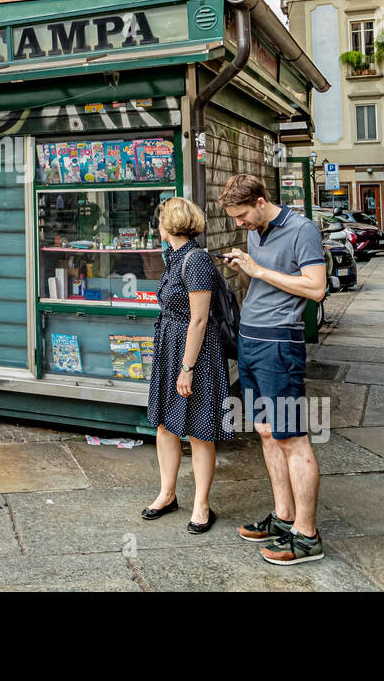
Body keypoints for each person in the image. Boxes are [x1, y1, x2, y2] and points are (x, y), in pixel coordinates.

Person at [218, 174, 328, 565]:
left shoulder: (302, 230)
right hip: (250, 342)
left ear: (261, 201)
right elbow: (266, 274)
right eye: (234, 217)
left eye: (243, 215)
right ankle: (284, 519)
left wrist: (258, 270)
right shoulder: (255, 230)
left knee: (292, 437)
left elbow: (315, 288)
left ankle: (307, 535)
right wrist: (246, 263)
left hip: (279, 345)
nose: (239, 223)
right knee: (265, 432)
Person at [141, 197, 232, 534]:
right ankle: (167, 494)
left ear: (171, 225)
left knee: (198, 430)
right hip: (170, 347)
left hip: (195, 354)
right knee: (165, 424)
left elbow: (199, 319)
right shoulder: (175, 257)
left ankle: (201, 505)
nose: (158, 225)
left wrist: (187, 367)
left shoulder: (194, 261)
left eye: (161, 219)